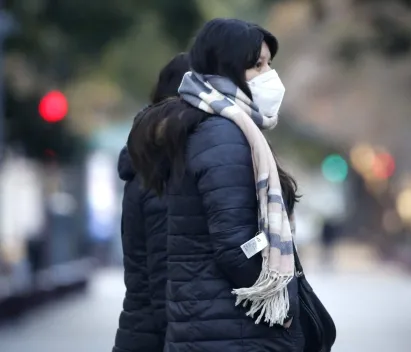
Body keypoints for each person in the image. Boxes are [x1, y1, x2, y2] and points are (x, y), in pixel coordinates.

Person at [128, 19, 304, 351]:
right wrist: (275, 299)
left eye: (269, 64)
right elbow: (237, 245)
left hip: (213, 326)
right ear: (228, 68)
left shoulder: (216, 127)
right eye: (257, 65)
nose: (270, 76)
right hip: (233, 331)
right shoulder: (224, 135)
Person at [112, 53, 189, 352]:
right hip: (155, 338)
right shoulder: (162, 172)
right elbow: (164, 279)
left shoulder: (151, 162)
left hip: (143, 332)